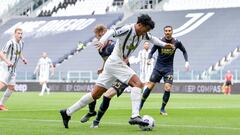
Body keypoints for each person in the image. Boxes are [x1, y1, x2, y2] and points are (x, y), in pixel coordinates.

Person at [59, 14, 174, 129]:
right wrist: (102, 41)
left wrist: (165, 45)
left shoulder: (143, 34)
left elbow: (153, 39)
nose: (146, 32)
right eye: (146, 29)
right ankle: (135, 115)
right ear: (140, 25)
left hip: (111, 64)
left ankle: (67, 112)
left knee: (95, 95)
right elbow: (111, 32)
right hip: (116, 62)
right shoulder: (127, 29)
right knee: (138, 84)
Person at [79, 24, 129, 128]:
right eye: (99, 35)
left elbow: (125, 58)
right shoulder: (100, 48)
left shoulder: (113, 45)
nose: (101, 36)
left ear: (106, 33)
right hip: (111, 72)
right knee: (94, 93)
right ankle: (91, 112)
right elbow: (107, 60)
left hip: (123, 74)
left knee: (107, 95)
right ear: (96, 36)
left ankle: (96, 122)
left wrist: (121, 66)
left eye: (103, 33)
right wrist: (102, 68)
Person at [139, 25, 189, 115]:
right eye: (166, 30)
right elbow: (151, 52)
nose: (167, 32)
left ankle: (162, 109)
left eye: (169, 30)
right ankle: (140, 105)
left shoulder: (176, 42)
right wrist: (149, 59)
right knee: (150, 86)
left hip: (168, 69)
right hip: (158, 67)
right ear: (164, 32)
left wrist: (186, 62)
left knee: (168, 87)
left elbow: (184, 51)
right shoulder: (159, 41)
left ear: (172, 32)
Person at [0, 28, 27, 111]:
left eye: (21, 33)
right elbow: (1, 53)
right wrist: (7, 61)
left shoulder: (21, 43)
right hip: (6, 67)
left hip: (13, 69)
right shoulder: (10, 43)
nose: (20, 35)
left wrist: (23, 58)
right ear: (15, 34)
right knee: (1, 85)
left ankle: (0, 105)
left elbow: (19, 52)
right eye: (18, 33)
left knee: (11, 88)